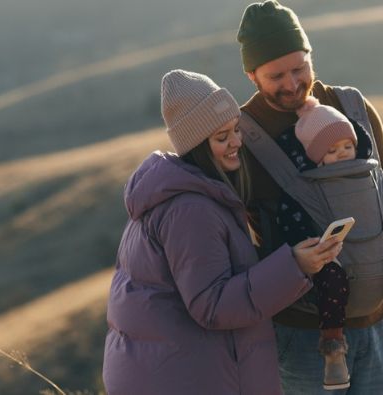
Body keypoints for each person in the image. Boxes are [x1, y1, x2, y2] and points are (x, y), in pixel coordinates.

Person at [102, 69, 343, 395]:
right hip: (191, 379)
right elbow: (212, 305)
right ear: (197, 145)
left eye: (236, 130)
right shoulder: (191, 210)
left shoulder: (175, 194)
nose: (236, 143)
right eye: (221, 137)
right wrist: (295, 267)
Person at [235, 1, 383, 393]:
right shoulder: (241, 135)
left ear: (310, 56)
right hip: (299, 332)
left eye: (299, 68)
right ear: (251, 73)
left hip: (377, 322)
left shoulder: (351, 106)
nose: (291, 84)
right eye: (276, 75)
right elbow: (230, 233)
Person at [277, 97, 383, 389]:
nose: (342, 154)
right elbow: (292, 222)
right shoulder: (306, 187)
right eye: (331, 150)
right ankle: (333, 352)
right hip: (333, 263)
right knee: (331, 282)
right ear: (315, 156)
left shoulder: (371, 175)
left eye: (347, 146)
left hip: (377, 274)